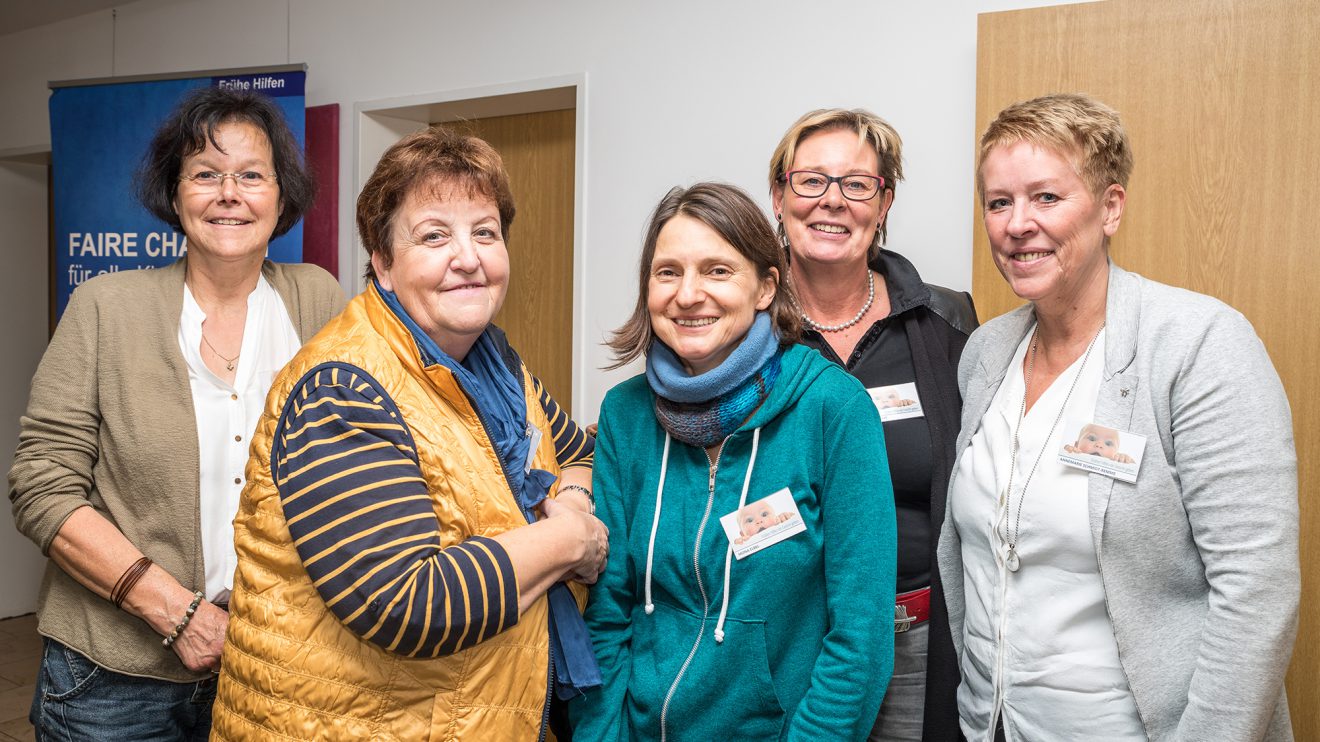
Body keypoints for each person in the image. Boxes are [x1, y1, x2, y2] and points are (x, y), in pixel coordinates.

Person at [211, 127, 608, 740]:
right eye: (433, 236)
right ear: (384, 266)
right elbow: (408, 603)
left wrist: (573, 504)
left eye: (485, 232)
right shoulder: (342, 387)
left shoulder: (493, 363)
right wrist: (567, 544)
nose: (468, 256)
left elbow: (579, 451)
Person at [939, 93, 1299, 741]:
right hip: (993, 724)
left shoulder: (1198, 345)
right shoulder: (986, 353)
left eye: (1046, 197)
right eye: (999, 202)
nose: (1017, 223)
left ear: (1111, 206)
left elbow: (1256, 594)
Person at [8, 86, 343, 740]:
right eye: (205, 174)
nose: (229, 193)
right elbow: (41, 485)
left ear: (282, 195)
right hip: (112, 678)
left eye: (251, 175)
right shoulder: (105, 307)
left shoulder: (319, 299)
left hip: (274, 670)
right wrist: (175, 612)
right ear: (174, 192)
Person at [570, 182, 896, 741]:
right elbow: (607, 612)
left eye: (717, 271)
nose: (688, 294)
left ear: (766, 287)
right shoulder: (624, 415)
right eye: (667, 272)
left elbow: (860, 638)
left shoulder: (833, 409)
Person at [768, 108, 977, 742]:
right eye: (811, 180)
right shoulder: (738, 327)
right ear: (777, 194)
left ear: (883, 203)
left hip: (914, 640)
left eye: (857, 184)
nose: (832, 200)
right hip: (779, 638)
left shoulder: (946, 323)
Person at [1063, 423, 1133, 463]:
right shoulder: (1072, 454)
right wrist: (1066, 452)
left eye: (1108, 444)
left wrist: (1127, 462)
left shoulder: (1118, 462)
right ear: (1076, 445)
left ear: (1116, 453)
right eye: (1092, 439)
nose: (1099, 445)